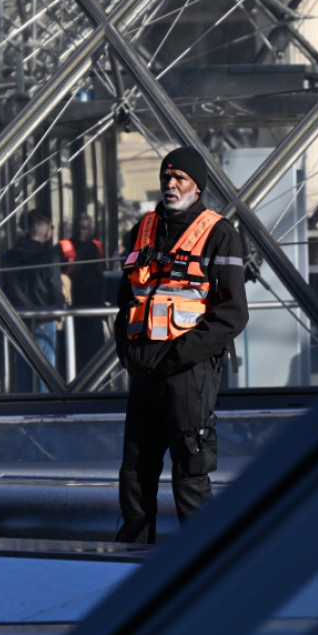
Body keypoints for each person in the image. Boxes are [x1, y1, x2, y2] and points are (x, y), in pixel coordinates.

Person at [114, 146, 248, 544]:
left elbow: (232, 313)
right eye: (166, 177)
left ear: (197, 186)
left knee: (191, 471)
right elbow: (128, 298)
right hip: (144, 371)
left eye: (179, 179)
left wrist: (178, 356)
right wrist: (128, 351)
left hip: (188, 373)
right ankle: (131, 559)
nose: (170, 185)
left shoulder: (219, 233)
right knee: (135, 471)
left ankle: (199, 562)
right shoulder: (144, 227)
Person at [2, 209, 64, 392]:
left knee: (23, 370)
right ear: (47, 231)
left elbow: (5, 287)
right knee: (45, 373)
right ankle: (45, 409)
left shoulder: (11, 255)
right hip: (44, 317)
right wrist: (59, 310)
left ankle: (24, 406)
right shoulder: (49, 256)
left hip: (18, 318)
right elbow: (54, 287)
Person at [56, 212, 107, 370]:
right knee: (73, 348)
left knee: (96, 350)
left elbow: (101, 272)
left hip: (93, 304)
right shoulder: (63, 247)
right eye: (78, 228)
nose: (81, 231)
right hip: (73, 304)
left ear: (92, 229)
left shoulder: (97, 246)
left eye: (85, 228)